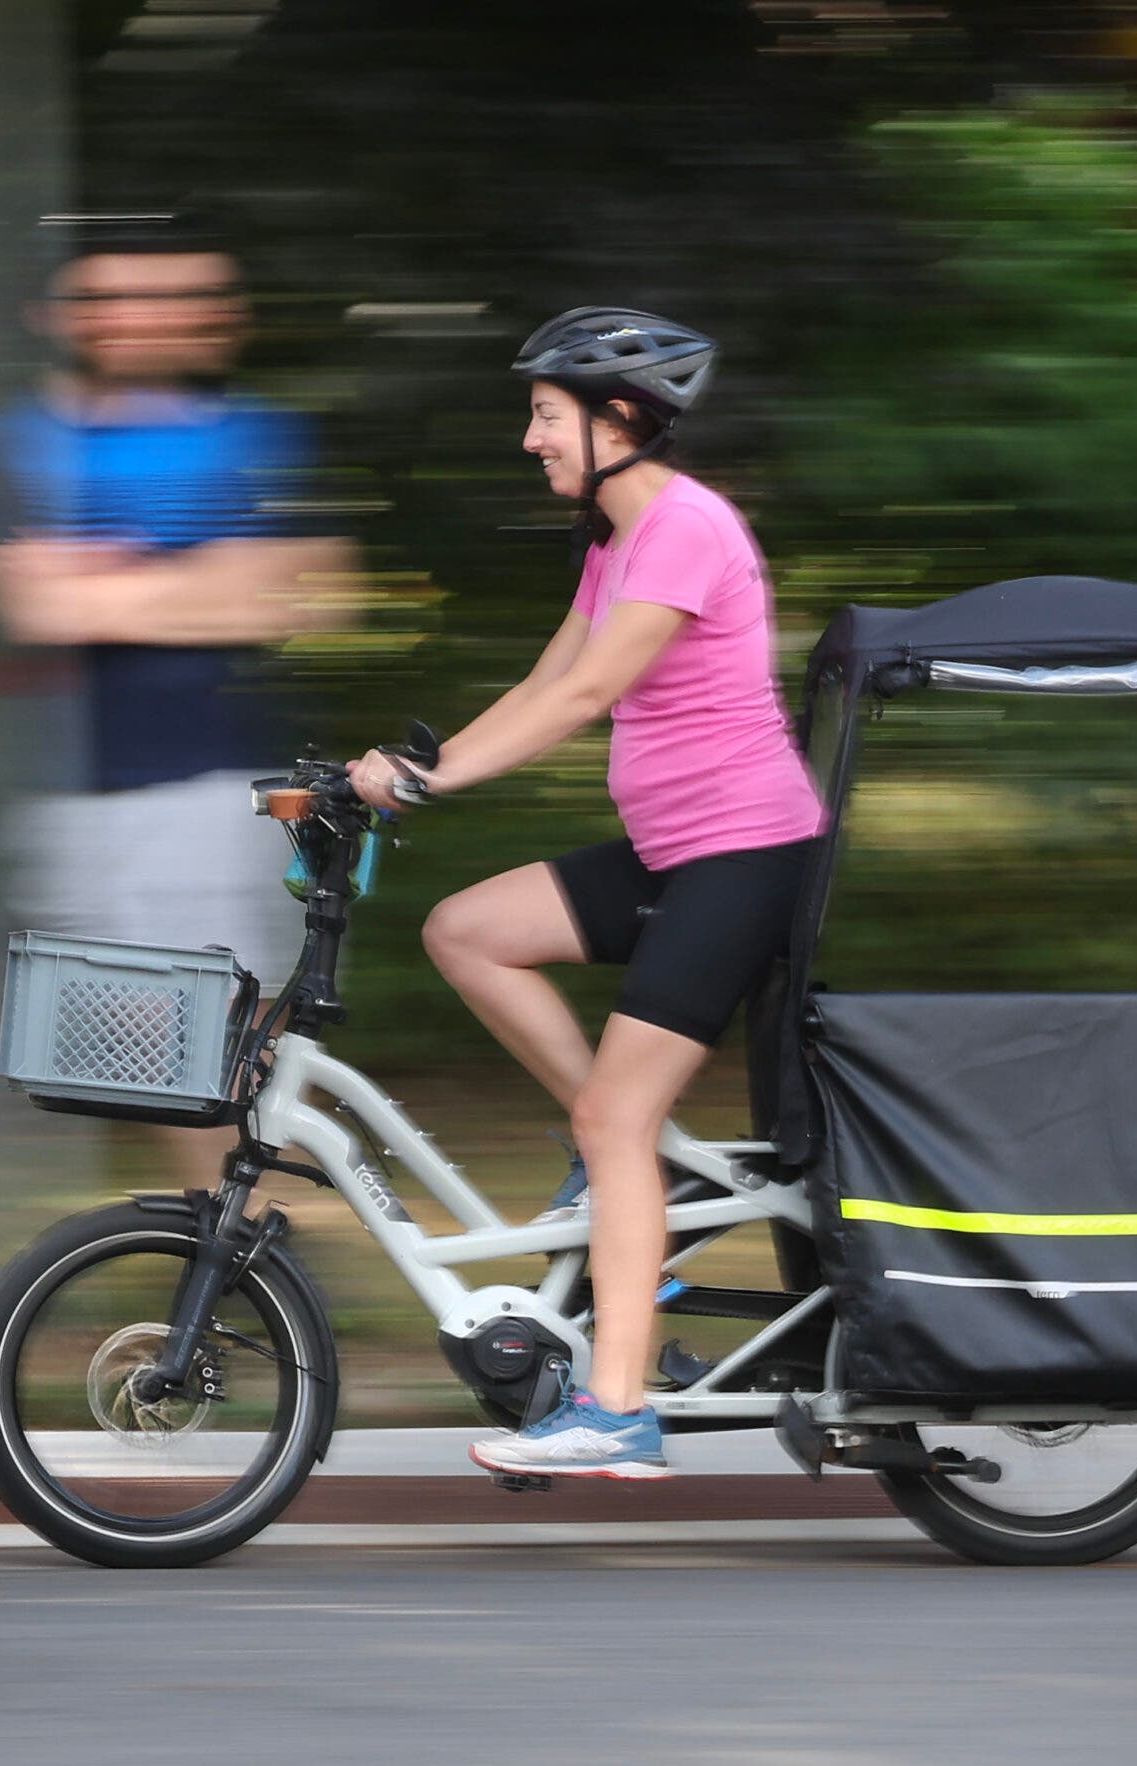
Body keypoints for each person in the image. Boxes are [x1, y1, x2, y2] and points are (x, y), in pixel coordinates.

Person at [349, 308, 826, 1481]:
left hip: (745, 856)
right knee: (467, 929)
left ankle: (616, 1412)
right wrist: (416, 771)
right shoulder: (613, 545)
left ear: (618, 421)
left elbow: (584, 697)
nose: (530, 439)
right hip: (673, 850)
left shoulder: (685, 528)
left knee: (609, 1118)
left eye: (545, 416)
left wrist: (431, 778)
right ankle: (641, 1162)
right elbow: (545, 676)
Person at [0, 216, 356, 1190]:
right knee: (133, 1064)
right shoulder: (15, 442)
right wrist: (206, 580)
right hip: (79, 796)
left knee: (219, 1047)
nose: (151, 317)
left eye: (184, 296)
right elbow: (34, 603)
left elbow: (313, 593)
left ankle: (241, 1249)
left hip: (218, 791)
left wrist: (111, 585)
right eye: (119, 296)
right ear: (62, 314)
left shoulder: (261, 437)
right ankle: (245, 1244)